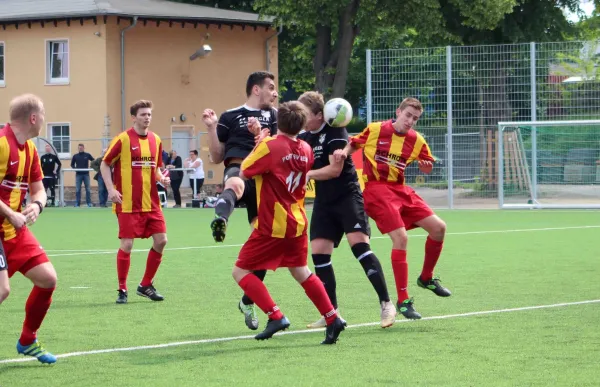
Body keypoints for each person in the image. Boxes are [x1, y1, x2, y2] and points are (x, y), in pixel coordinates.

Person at [233, 101, 345, 344]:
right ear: (301, 124)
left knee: (240, 271)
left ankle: (276, 316)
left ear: (277, 122)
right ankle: (332, 317)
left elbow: (245, 170)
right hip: (298, 220)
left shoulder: (270, 146)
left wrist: (261, 141)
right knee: (301, 271)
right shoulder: (305, 147)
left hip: (273, 222)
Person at [334, 97, 451, 320]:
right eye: (408, 115)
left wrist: (426, 168)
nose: (410, 121)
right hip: (376, 190)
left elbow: (426, 166)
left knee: (439, 228)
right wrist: (343, 152)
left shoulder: (417, 140)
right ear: (398, 111)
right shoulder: (376, 129)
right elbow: (355, 143)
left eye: (415, 119)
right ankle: (403, 300)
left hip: (400, 190)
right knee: (401, 238)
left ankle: (426, 278)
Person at [298, 92, 396, 329]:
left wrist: (307, 174)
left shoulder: (335, 132)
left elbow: (334, 171)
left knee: (360, 248)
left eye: (305, 114)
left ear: (320, 115)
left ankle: (386, 304)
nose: (301, 118)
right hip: (324, 201)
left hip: (347, 197)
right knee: (319, 255)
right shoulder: (303, 137)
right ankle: (332, 313)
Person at [203, 71, 278, 331]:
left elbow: (281, 148)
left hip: (267, 179)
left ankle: (248, 301)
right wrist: (212, 128)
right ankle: (220, 219)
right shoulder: (230, 116)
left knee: (264, 243)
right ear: (256, 90)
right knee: (234, 183)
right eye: (271, 87)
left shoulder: (276, 117)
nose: (275, 92)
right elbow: (215, 156)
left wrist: (261, 138)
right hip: (240, 169)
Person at [0, 94, 58, 363]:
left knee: (47, 279)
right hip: (4, 227)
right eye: (43, 113)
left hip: (15, 232)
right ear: (33, 118)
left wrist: (37, 205)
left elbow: (39, 190)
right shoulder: (2, 144)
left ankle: (27, 340)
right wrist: (11, 213)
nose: (45, 118)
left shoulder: (31, 150)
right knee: (2, 290)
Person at [101, 100, 170, 305]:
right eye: (143, 114)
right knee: (127, 244)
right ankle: (122, 289)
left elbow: (155, 168)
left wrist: (161, 178)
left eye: (149, 114)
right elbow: (105, 164)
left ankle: (145, 285)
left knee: (162, 240)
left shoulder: (156, 140)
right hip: (128, 203)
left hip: (151, 202)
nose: (147, 117)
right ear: (134, 117)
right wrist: (111, 189)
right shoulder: (122, 139)